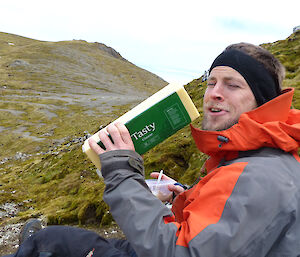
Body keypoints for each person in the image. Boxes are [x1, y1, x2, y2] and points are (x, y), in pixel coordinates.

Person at [4, 42, 300, 257]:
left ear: (261, 101)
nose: (214, 93)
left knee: (57, 245)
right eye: (211, 82)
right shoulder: (261, 156)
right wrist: (185, 194)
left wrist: (122, 173)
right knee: (59, 239)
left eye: (232, 85)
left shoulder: (261, 176)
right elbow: (224, 220)